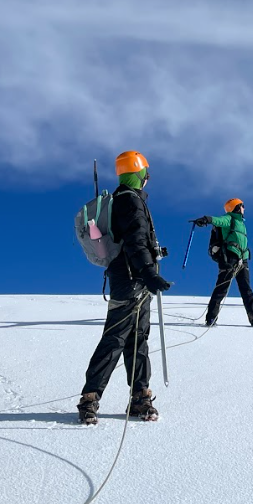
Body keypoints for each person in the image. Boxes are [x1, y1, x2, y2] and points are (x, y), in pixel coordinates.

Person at [77, 150, 172, 424]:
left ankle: (140, 396)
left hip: (132, 280)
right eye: (146, 174)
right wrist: (147, 272)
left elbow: (137, 240)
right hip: (131, 280)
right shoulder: (130, 201)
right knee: (116, 339)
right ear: (139, 174)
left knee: (136, 339)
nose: (148, 179)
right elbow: (135, 240)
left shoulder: (124, 200)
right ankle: (90, 398)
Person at [193, 198, 253, 327]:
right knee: (222, 288)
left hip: (243, 260)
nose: (244, 208)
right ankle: (211, 318)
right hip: (230, 258)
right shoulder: (229, 218)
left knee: (246, 289)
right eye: (242, 206)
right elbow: (218, 220)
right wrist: (206, 219)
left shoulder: (241, 223)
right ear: (236, 207)